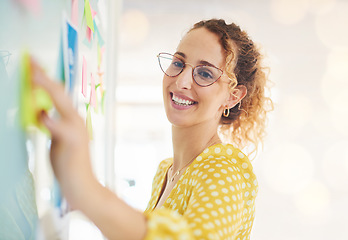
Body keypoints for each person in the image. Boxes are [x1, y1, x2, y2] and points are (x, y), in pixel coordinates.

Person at [31, 18, 272, 240]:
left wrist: (86, 189)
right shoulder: (165, 171)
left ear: (232, 97)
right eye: (178, 63)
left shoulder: (223, 168)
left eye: (205, 73)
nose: (181, 81)